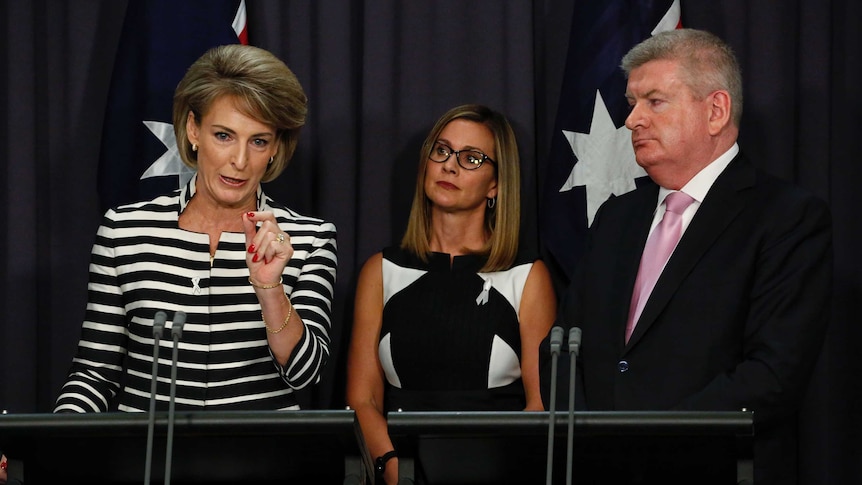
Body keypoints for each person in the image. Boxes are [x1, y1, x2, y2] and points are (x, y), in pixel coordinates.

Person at [542, 29, 832, 484]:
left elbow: (773, 374)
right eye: (631, 103)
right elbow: (562, 348)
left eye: (653, 101)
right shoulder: (616, 217)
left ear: (715, 110)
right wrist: (591, 445)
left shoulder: (785, 218)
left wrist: (647, 442)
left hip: (713, 469)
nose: (632, 120)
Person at [54, 44, 337, 412]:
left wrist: (269, 288)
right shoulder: (124, 230)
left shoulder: (308, 239)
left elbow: (305, 373)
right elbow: (95, 374)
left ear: (275, 149)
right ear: (193, 129)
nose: (239, 160)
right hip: (148, 461)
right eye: (224, 135)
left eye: (258, 141)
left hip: (264, 459)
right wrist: (59, 444)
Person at [346, 104, 557, 484]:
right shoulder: (381, 271)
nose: (450, 166)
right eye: (441, 151)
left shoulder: (526, 276)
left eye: (472, 158)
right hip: (402, 473)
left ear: (496, 184)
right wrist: (394, 470)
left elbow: (539, 406)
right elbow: (363, 400)